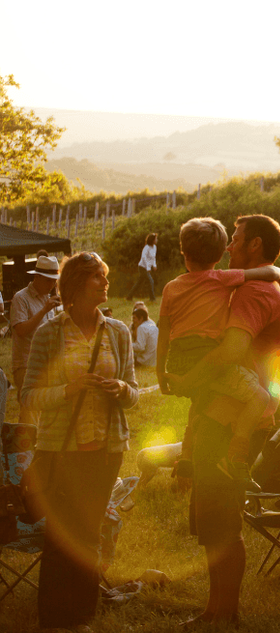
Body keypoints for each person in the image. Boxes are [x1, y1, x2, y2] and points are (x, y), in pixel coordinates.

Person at [22, 252, 139, 631]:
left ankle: (83, 617)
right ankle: (54, 620)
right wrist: (69, 390)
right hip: (60, 451)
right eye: (96, 277)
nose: (105, 283)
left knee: (89, 534)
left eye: (105, 276)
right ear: (75, 284)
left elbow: (135, 393)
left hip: (107, 451)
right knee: (59, 539)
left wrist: (120, 387)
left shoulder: (118, 332)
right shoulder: (49, 332)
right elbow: (29, 396)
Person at [181, 214, 280, 626]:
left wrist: (185, 379)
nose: (229, 246)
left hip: (235, 419)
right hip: (219, 413)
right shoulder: (255, 282)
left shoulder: (255, 294)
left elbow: (230, 352)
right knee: (211, 520)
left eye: (236, 238)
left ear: (255, 245)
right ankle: (213, 609)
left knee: (224, 522)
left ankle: (228, 613)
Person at [158, 218, 280, 488]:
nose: (229, 248)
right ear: (214, 254)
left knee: (199, 402)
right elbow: (227, 355)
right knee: (257, 395)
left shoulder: (171, 287)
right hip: (210, 371)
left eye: (235, 241)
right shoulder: (222, 280)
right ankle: (232, 454)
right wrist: (277, 271)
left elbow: (164, 334)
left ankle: (189, 455)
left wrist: (162, 375)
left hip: (181, 364)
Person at [10, 254, 62, 424]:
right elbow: (21, 330)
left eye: (54, 281)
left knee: (41, 411)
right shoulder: (21, 298)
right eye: (48, 280)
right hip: (25, 363)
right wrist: (44, 310)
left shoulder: (47, 298)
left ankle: (26, 446)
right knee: (30, 410)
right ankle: (25, 448)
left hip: (45, 362)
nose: (52, 285)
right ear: (37, 277)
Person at [126, 232, 158, 301]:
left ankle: (129, 296)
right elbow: (144, 258)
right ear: (152, 240)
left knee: (139, 283)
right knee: (150, 281)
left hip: (147, 267)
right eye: (155, 239)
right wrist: (148, 268)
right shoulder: (146, 248)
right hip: (142, 267)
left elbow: (153, 258)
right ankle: (152, 298)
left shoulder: (154, 247)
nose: (156, 240)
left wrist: (154, 265)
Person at [132, 303, 159, 368]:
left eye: (134, 318)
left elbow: (140, 347)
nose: (133, 320)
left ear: (141, 318)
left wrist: (127, 344)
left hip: (144, 361)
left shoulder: (141, 327)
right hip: (154, 361)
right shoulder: (152, 324)